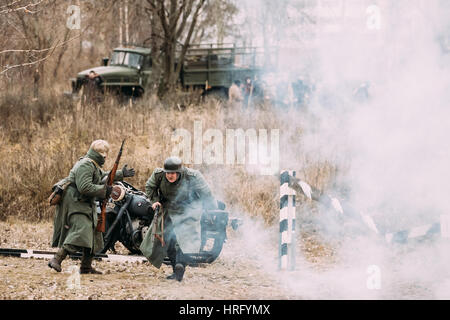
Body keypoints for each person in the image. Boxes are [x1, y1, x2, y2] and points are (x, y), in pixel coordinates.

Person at [48, 140, 135, 274]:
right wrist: (106, 190)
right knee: (82, 231)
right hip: (75, 201)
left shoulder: (93, 164)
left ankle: (86, 267)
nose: (104, 156)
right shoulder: (85, 165)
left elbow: (102, 177)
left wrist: (120, 174)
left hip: (84, 201)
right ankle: (57, 259)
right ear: (94, 152)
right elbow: (84, 187)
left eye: (106, 152)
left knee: (94, 232)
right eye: (101, 152)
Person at [140, 156, 218, 282]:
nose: (170, 176)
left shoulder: (193, 177)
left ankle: (180, 264)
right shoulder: (158, 175)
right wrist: (155, 201)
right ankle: (176, 270)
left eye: (173, 173)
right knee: (167, 239)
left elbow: (207, 194)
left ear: (179, 172)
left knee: (186, 238)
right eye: (168, 173)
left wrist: (213, 211)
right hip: (168, 208)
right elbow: (149, 187)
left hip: (189, 209)